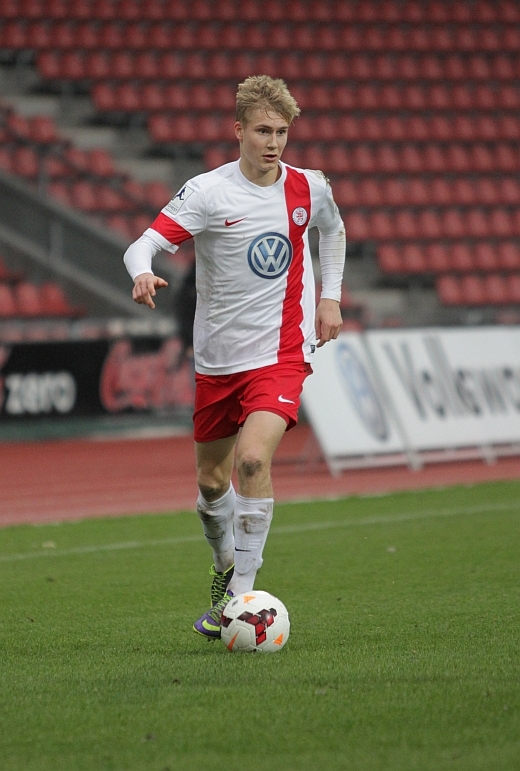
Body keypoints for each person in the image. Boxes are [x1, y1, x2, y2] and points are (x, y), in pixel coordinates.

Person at [123, 75, 346, 639]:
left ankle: (240, 595)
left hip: (280, 352)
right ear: (238, 130)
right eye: (263, 131)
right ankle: (225, 565)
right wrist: (142, 272)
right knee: (210, 483)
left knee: (251, 461)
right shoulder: (207, 192)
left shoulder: (308, 187)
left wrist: (331, 297)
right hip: (218, 361)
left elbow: (334, 230)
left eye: (282, 132)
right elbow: (143, 243)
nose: (274, 143)